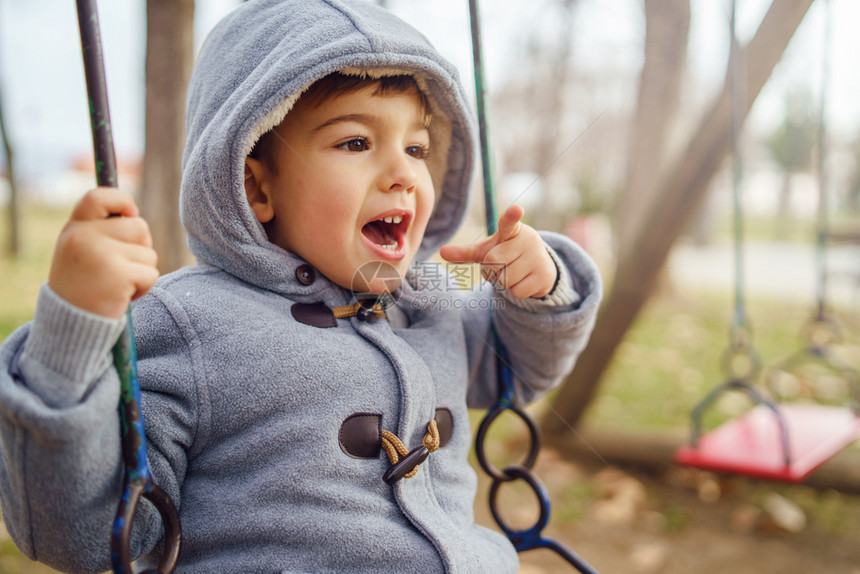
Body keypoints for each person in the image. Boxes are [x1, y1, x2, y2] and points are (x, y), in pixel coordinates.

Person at [0, 0, 602, 572]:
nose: (403, 174)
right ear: (256, 188)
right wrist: (72, 333)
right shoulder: (189, 325)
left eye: (416, 147)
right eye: (356, 142)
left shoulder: (428, 302)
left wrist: (540, 288)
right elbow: (82, 533)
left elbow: (518, 371)